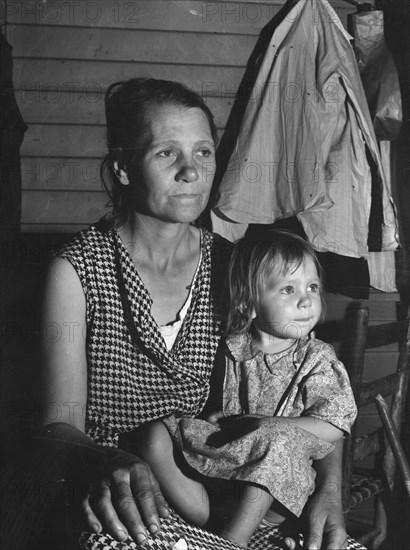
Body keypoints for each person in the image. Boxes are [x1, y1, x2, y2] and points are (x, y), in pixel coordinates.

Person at [40, 77, 350, 550]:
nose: (191, 171)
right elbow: (57, 424)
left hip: (234, 494)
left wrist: (330, 492)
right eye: (167, 153)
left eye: (203, 152)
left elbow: (312, 379)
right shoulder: (78, 270)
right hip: (120, 491)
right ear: (124, 167)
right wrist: (104, 462)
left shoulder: (236, 267)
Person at [132, 230, 357, 547]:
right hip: (227, 471)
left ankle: (231, 540)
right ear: (249, 304)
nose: (307, 299)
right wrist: (216, 421)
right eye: (288, 289)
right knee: (154, 435)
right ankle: (203, 519)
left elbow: (335, 424)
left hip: (279, 488)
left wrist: (271, 427)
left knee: (277, 440)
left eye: (313, 287)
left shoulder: (316, 358)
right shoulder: (232, 346)